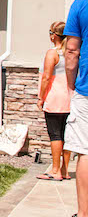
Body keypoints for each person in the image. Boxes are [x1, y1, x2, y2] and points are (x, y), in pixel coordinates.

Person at [59, 0, 88, 217]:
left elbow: (71, 52)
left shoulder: (81, 4)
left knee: (86, 152)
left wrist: (71, 86)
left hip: (87, 92)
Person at [38, 21, 73, 181]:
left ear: (53, 35)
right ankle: (65, 171)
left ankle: (55, 170)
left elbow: (46, 77)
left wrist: (41, 97)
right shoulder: (73, 53)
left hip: (54, 99)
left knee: (55, 135)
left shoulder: (53, 53)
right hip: (70, 98)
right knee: (66, 135)